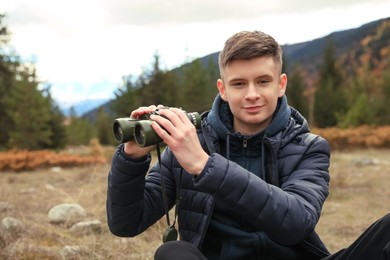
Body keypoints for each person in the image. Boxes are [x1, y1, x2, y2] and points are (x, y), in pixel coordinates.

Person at [106, 31, 390, 259]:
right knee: (173, 252)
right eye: (239, 84)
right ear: (223, 89)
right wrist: (131, 157)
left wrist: (206, 166)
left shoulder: (308, 147)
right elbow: (126, 223)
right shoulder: (191, 144)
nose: (252, 94)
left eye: (263, 81)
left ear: (281, 85)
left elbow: (295, 223)